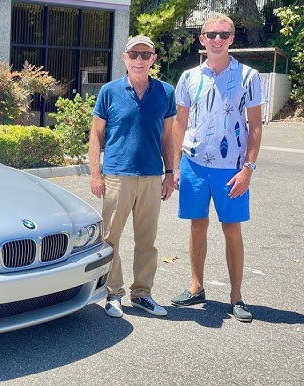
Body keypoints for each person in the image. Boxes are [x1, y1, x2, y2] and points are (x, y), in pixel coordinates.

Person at [170, 14, 264, 323]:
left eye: (223, 34)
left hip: (232, 169)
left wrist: (248, 168)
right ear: (202, 39)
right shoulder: (188, 78)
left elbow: (254, 127)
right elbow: (180, 124)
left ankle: (236, 296)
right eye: (211, 33)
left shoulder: (249, 76)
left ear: (232, 39)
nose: (217, 39)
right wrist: (174, 166)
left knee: (232, 229)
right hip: (194, 164)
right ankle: (197, 287)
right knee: (197, 225)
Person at [88, 35, 176, 318]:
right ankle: (113, 294)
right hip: (116, 176)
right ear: (124, 58)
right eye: (133, 54)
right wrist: (95, 173)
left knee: (147, 241)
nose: (139, 60)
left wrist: (170, 173)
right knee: (110, 239)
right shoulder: (109, 91)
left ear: (153, 59)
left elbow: (167, 137)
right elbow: (96, 135)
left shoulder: (165, 92)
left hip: (151, 176)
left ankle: (143, 294)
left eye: (145, 54)